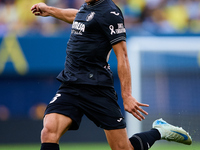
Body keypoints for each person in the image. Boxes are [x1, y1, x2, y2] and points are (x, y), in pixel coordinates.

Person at [31, 0, 192, 150]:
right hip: (71, 84)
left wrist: (127, 95)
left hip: (97, 88)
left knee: (123, 148)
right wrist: (50, 10)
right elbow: (77, 16)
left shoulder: (110, 13)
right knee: (49, 132)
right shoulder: (88, 6)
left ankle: (159, 131)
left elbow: (122, 56)